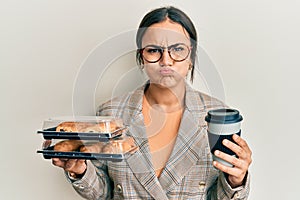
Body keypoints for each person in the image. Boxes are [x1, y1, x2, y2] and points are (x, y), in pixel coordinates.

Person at [52, 6, 252, 199]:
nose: (166, 60)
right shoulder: (111, 113)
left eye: (177, 49)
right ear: (141, 55)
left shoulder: (219, 117)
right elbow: (103, 193)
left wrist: (236, 180)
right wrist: (79, 170)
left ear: (190, 55)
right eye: (154, 50)